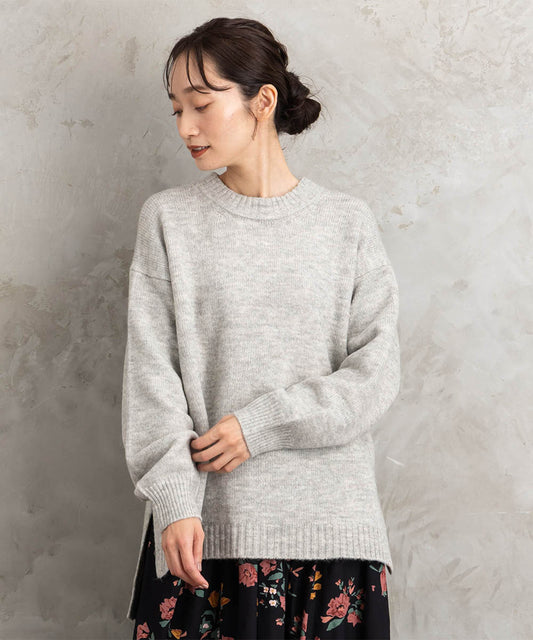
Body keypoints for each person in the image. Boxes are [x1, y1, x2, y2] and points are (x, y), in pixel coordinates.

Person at [122, 16, 400, 640]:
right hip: (203, 540)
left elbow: (375, 376)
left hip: (334, 539)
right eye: (176, 109)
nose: (185, 127)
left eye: (201, 104)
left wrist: (260, 426)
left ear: (263, 100)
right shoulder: (169, 221)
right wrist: (173, 500)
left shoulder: (347, 224)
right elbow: (151, 377)